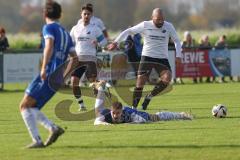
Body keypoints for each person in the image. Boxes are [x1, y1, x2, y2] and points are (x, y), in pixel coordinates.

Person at [19, 1, 77, 149]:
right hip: (56, 77)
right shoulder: (65, 33)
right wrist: (64, 76)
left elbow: (49, 46)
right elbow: (76, 58)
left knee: (25, 105)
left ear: (44, 14)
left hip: (48, 74)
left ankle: (41, 138)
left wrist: (44, 68)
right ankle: (51, 129)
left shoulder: (48, 28)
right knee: (30, 106)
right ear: (60, 14)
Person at [108, 8, 182, 110]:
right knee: (140, 82)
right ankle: (134, 108)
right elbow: (129, 31)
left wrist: (178, 55)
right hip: (147, 57)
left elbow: (177, 41)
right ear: (152, 18)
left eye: (162, 19)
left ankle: (149, 96)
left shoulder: (169, 26)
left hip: (162, 58)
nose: (160, 22)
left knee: (167, 78)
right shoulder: (145, 25)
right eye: (158, 19)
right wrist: (116, 42)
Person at [93, 81, 192, 125]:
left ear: (121, 112)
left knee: (156, 117)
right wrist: (103, 124)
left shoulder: (128, 114)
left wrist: (129, 124)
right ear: (111, 111)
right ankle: (101, 87)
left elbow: (142, 121)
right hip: (104, 111)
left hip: (139, 115)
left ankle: (181, 115)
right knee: (97, 111)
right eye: (113, 113)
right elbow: (96, 122)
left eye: (117, 113)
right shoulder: (106, 114)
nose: (115, 115)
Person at [70, 5, 107, 111]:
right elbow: (70, 43)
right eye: (84, 14)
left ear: (91, 15)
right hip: (78, 60)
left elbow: (104, 42)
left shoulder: (95, 29)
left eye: (88, 14)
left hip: (90, 59)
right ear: (81, 14)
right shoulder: (75, 29)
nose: (86, 16)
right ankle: (81, 105)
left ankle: (100, 106)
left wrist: (98, 43)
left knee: (94, 84)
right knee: (74, 82)